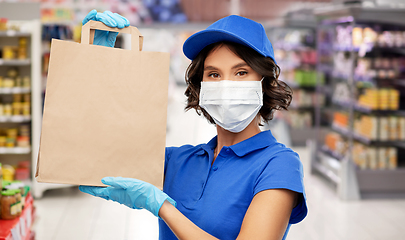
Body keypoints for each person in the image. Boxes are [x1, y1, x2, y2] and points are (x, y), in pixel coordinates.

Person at [79, 10, 307, 240]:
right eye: (214, 74)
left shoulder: (278, 164)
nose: (226, 85)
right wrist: (99, 65)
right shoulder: (178, 161)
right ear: (201, 88)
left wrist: (163, 207)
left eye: (241, 72)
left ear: (264, 83)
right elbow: (95, 152)